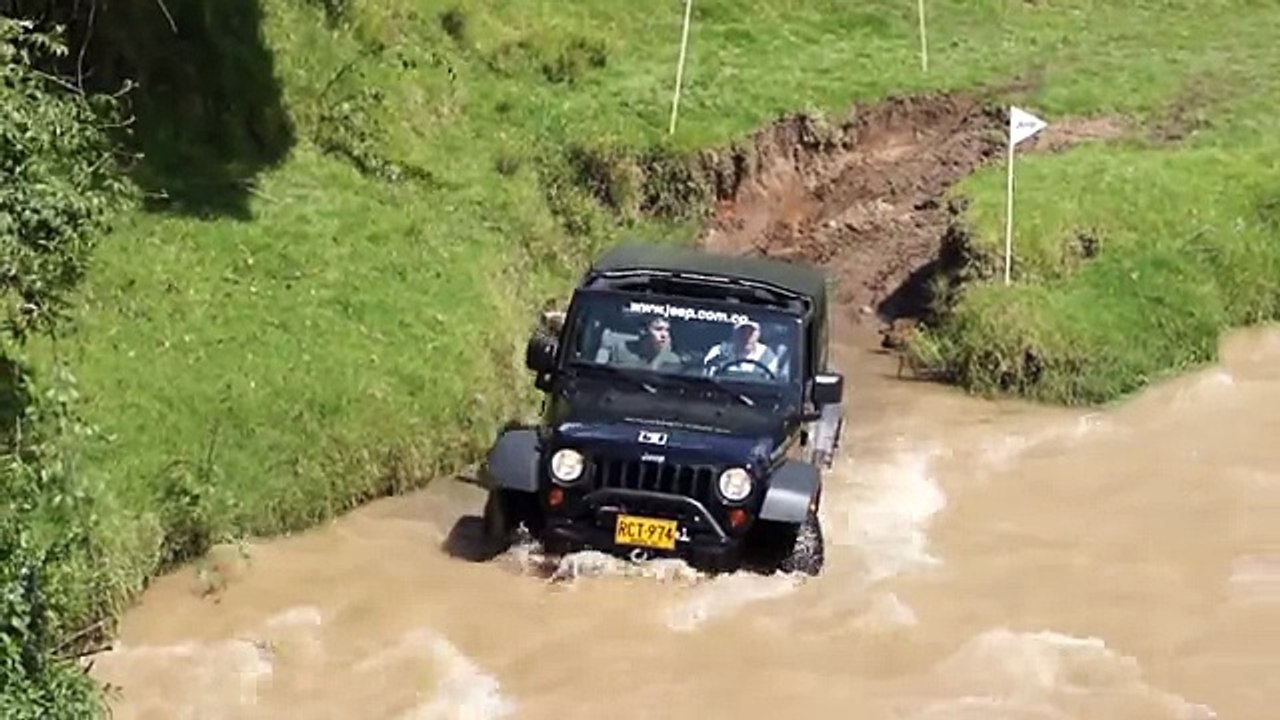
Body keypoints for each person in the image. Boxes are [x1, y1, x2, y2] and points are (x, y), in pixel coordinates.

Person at [597, 315, 682, 370]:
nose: (664, 335)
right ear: (643, 331)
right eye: (658, 329)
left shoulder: (672, 360)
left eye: (667, 330)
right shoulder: (621, 350)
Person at [702, 319, 780, 378]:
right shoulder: (718, 352)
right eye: (742, 332)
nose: (746, 337)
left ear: (758, 334)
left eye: (750, 333)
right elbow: (707, 378)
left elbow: (771, 383)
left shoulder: (768, 357)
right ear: (734, 333)